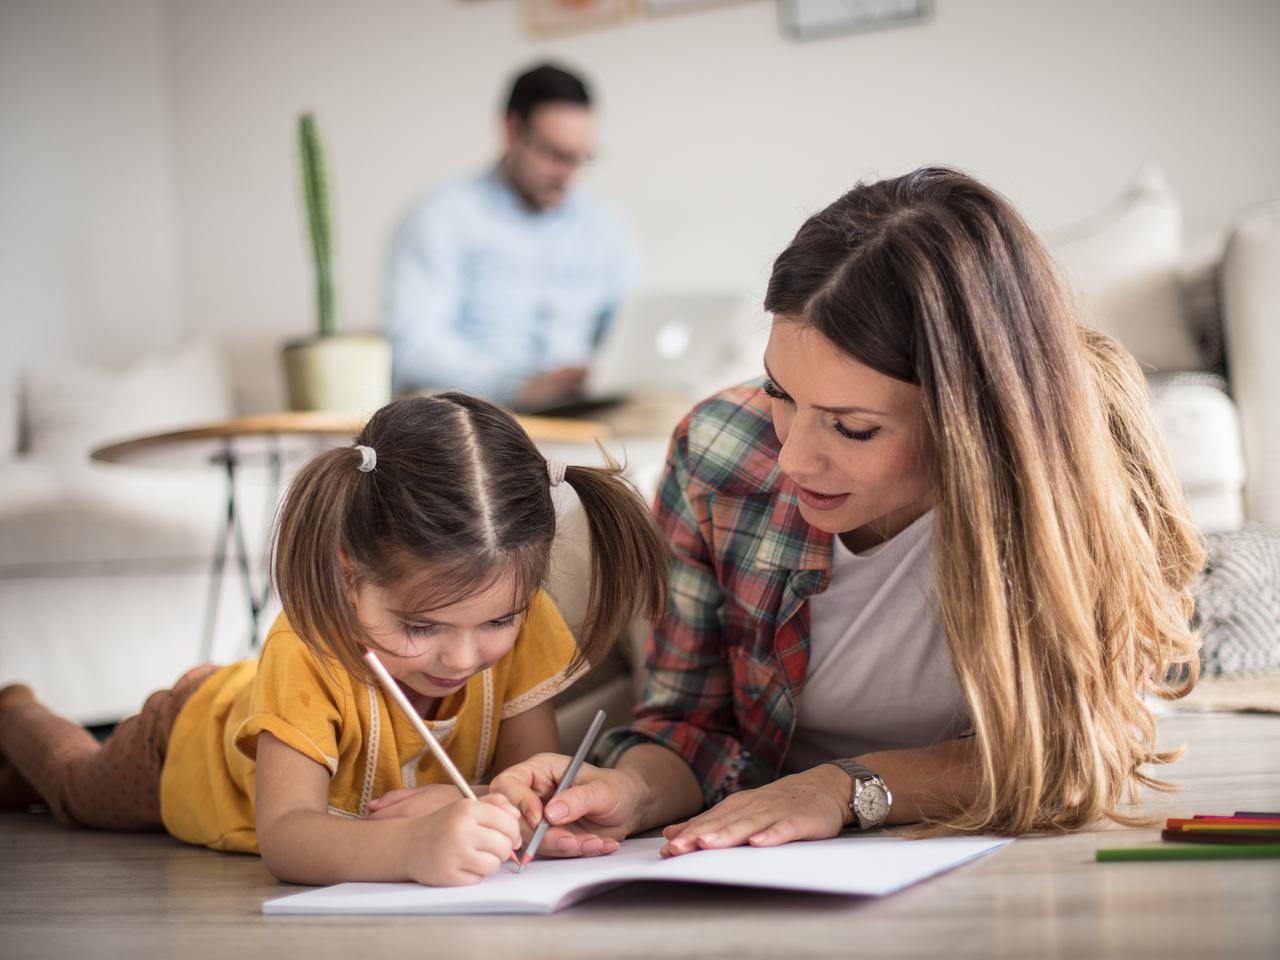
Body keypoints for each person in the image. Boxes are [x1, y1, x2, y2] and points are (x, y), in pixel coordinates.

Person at [489, 167, 1204, 856]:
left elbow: (1079, 753)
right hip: (778, 847)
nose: (793, 458)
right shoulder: (717, 451)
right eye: (779, 392)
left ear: (968, 420)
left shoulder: (1078, 469)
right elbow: (692, 727)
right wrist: (626, 791)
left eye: (851, 427)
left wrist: (845, 789)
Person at [0, 392, 665, 886]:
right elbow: (287, 837)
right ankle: (14, 710)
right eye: (420, 626)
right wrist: (412, 847)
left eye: (498, 620)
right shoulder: (306, 649)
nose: (463, 658)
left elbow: (516, 783)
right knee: (65, 786)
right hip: (185, 744)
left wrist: (496, 807)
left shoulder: (525, 622)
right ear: (350, 577)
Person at [383, 62, 636, 411]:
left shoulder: (602, 226)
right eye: (555, 155)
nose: (568, 175)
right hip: (477, 417)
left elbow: (627, 326)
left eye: (580, 158)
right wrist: (517, 387)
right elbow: (412, 346)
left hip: (582, 411)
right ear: (512, 129)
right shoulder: (440, 216)